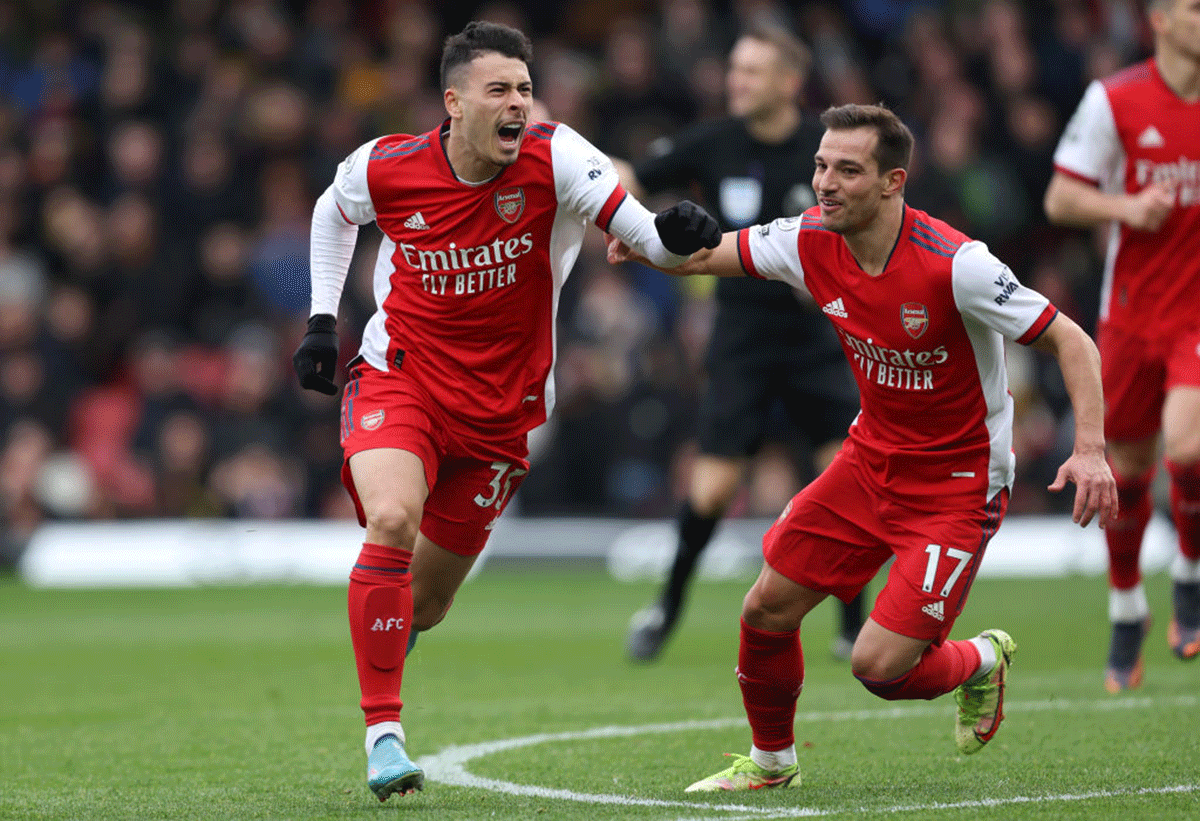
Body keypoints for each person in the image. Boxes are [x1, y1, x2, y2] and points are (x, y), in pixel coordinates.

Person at [608, 103, 1116, 791]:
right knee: (765, 609)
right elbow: (702, 253)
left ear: (892, 182)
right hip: (869, 461)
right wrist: (645, 237)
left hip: (957, 485)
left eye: (848, 170)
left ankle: (980, 659)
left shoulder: (957, 265)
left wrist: (1089, 449)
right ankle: (771, 762)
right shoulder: (808, 239)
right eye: (821, 165)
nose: (825, 183)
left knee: (879, 668)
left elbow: (1071, 339)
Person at [292, 21, 720, 802]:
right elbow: (332, 212)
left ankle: (390, 633)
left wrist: (675, 235)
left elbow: (641, 236)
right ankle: (383, 733)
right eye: (500, 90)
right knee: (391, 518)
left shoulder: (557, 156)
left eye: (525, 89)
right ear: (453, 103)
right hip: (402, 379)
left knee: (429, 600)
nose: (518, 103)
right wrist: (323, 320)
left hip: (503, 413)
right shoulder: (389, 165)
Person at [612, 23, 865, 664]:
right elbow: (629, 176)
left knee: (843, 479)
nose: (737, 81)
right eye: (735, 70)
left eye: (752, 71)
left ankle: (852, 623)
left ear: (789, 81)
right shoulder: (713, 142)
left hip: (816, 339)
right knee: (712, 491)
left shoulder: (824, 149)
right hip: (742, 340)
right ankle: (666, 607)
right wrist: (625, 217)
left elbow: (876, 217)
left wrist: (849, 272)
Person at [1043, 0, 1200, 693]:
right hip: (1132, 315)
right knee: (1129, 468)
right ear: (1162, 19)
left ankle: (1191, 572)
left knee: (1188, 446)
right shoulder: (1114, 99)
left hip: (1196, 316)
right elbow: (1059, 199)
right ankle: (1128, 605)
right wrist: (1125, 208)